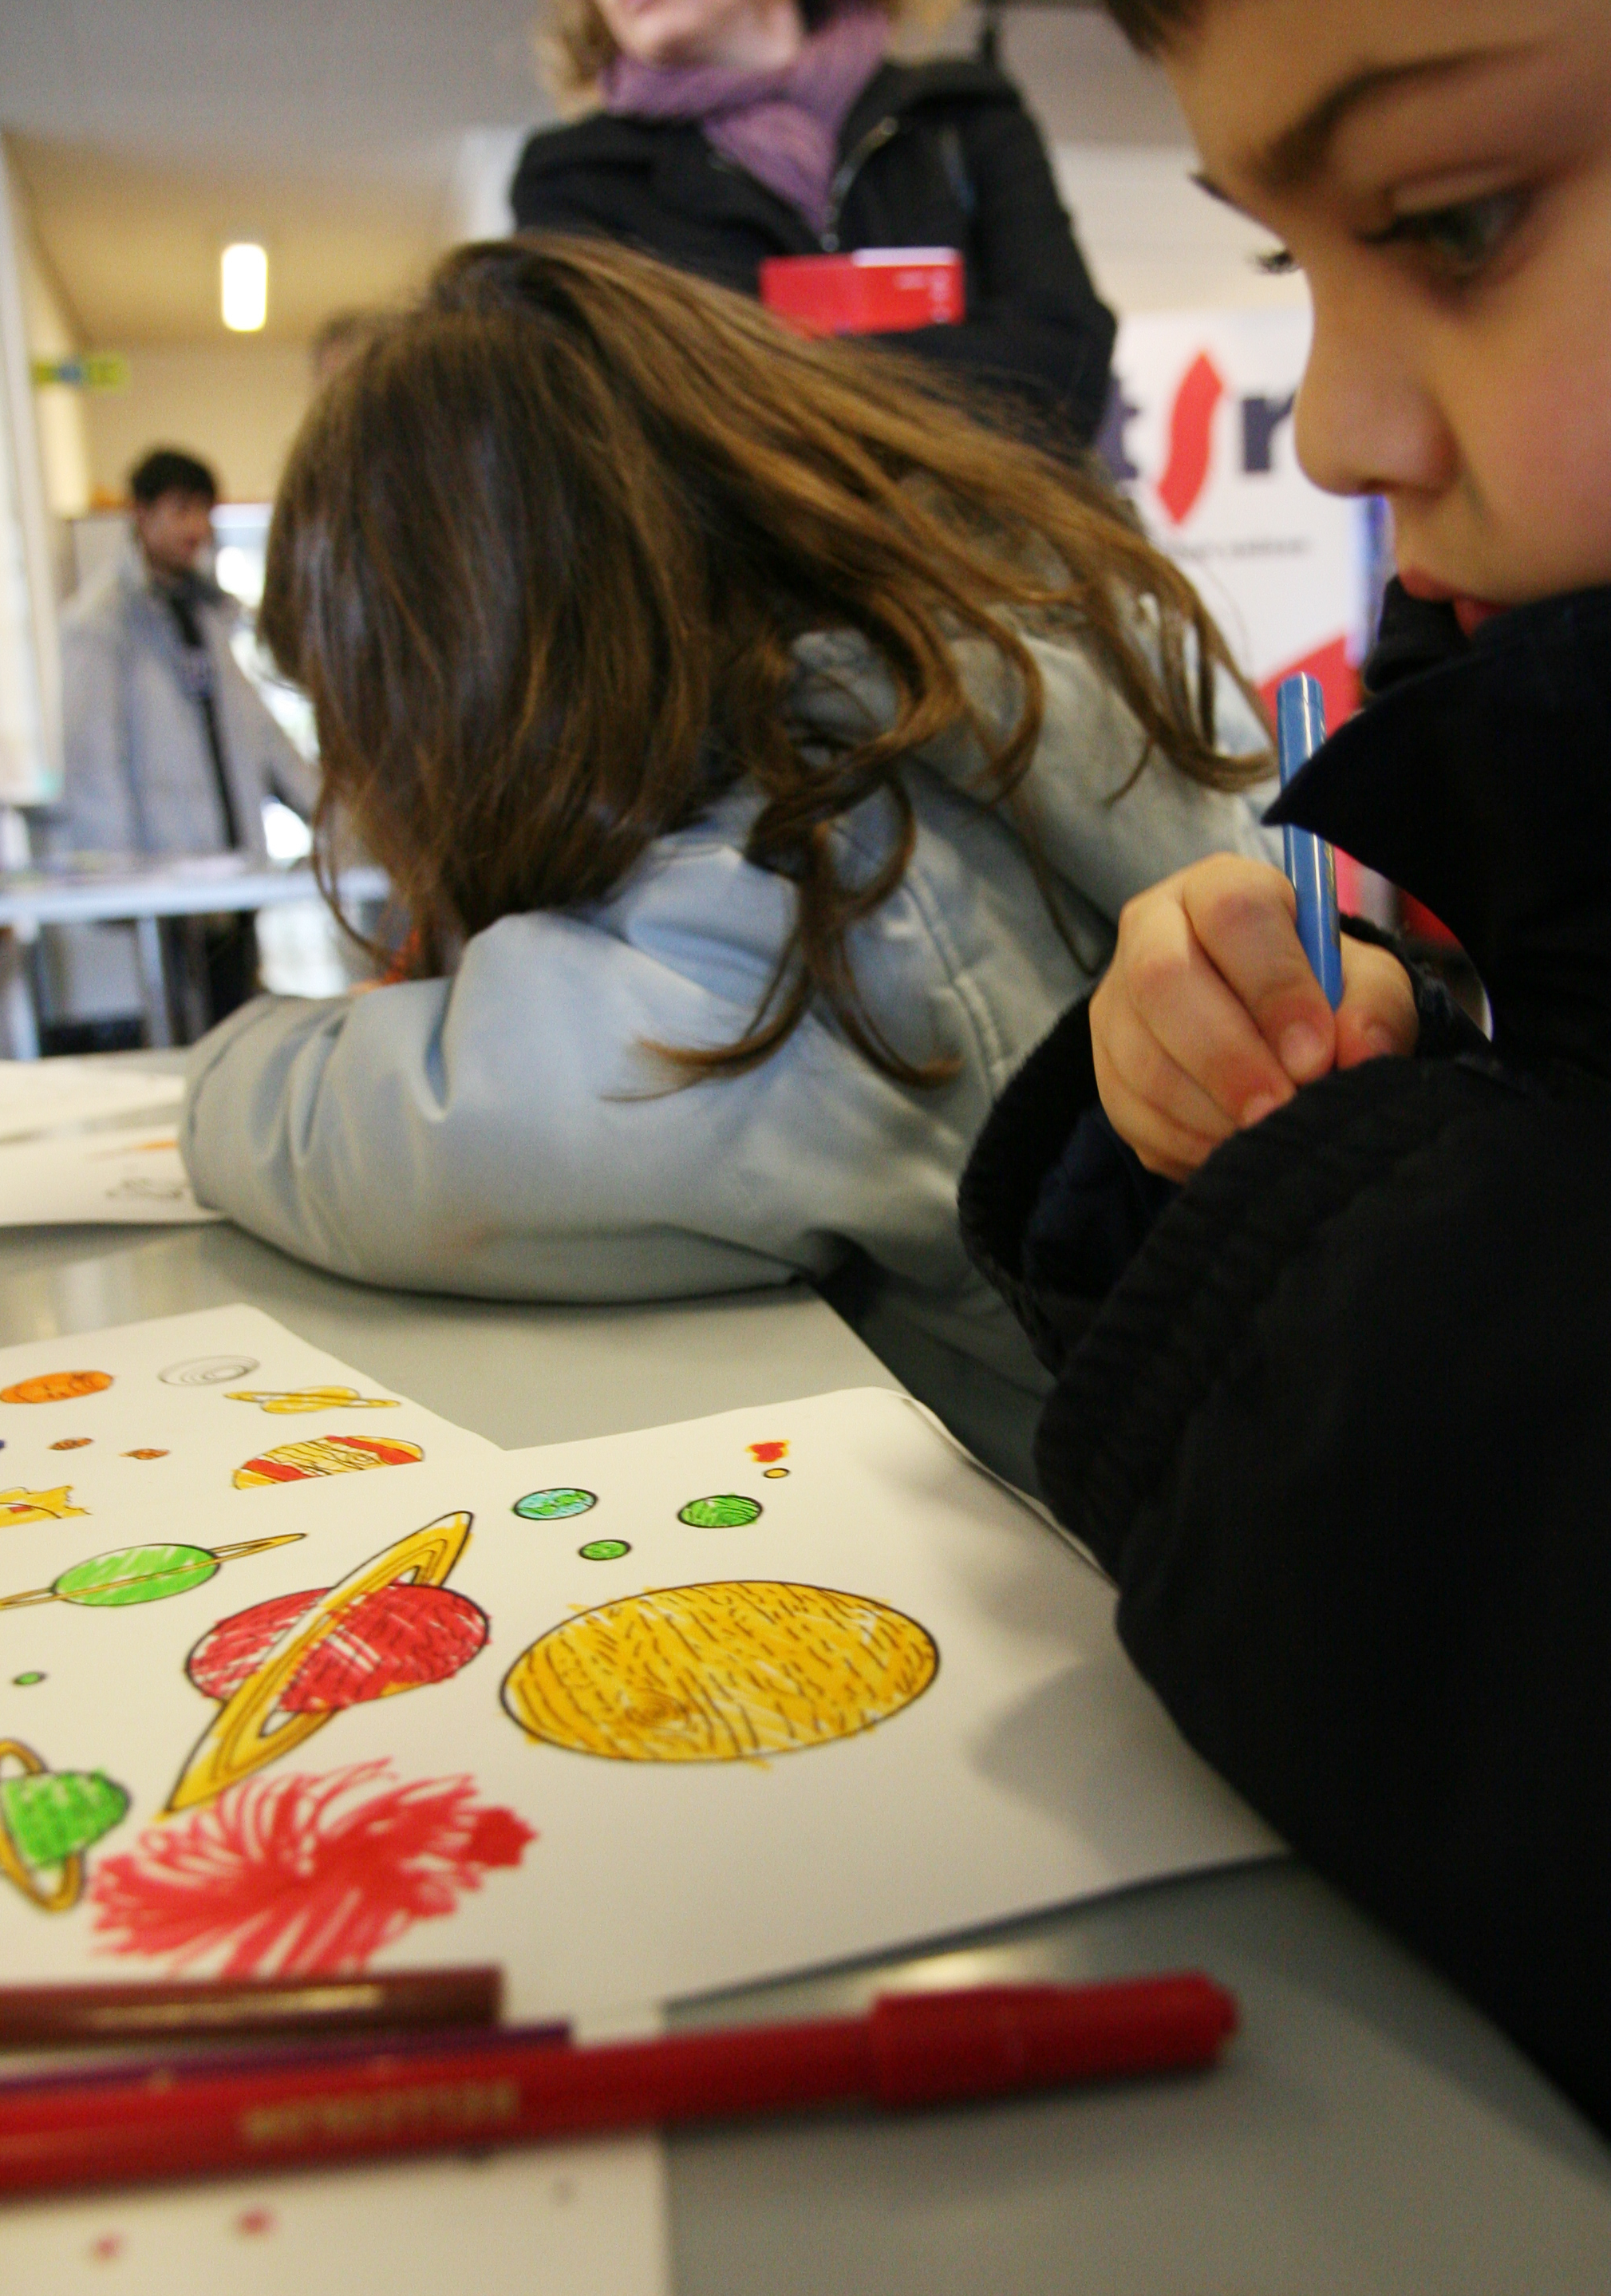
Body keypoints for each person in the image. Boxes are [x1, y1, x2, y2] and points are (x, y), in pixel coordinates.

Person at [958, 0, 1611, 2296]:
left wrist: (1357, 1247)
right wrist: (1305, 1079)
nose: (1336, 418)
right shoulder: (1605, 753)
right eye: (1293, 254)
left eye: (1450, 219)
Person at [177, 234, 1271, 1477]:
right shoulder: (998, 670)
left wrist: (206, 1078)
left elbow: (437, 1133)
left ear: (473, 681)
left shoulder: (831, 883)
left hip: (1089, 1569)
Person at [496, 0, 1116, 448]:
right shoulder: (575, 184)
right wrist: (939, 375)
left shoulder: (962, 118)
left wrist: (755, 383)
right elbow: (622, 450)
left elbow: (1065, 371)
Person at [49, 449, 319, 1045]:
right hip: (165, 878)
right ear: (141, 515)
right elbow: (93, 761)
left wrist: (330, 814)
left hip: (233, 865)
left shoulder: (208, 612)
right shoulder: (100, 623)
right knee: (184, 1029)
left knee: (239, 1019)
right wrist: (116, 878)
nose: (195, 528)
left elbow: (258, 732)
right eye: (179, 510)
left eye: (203, 511)